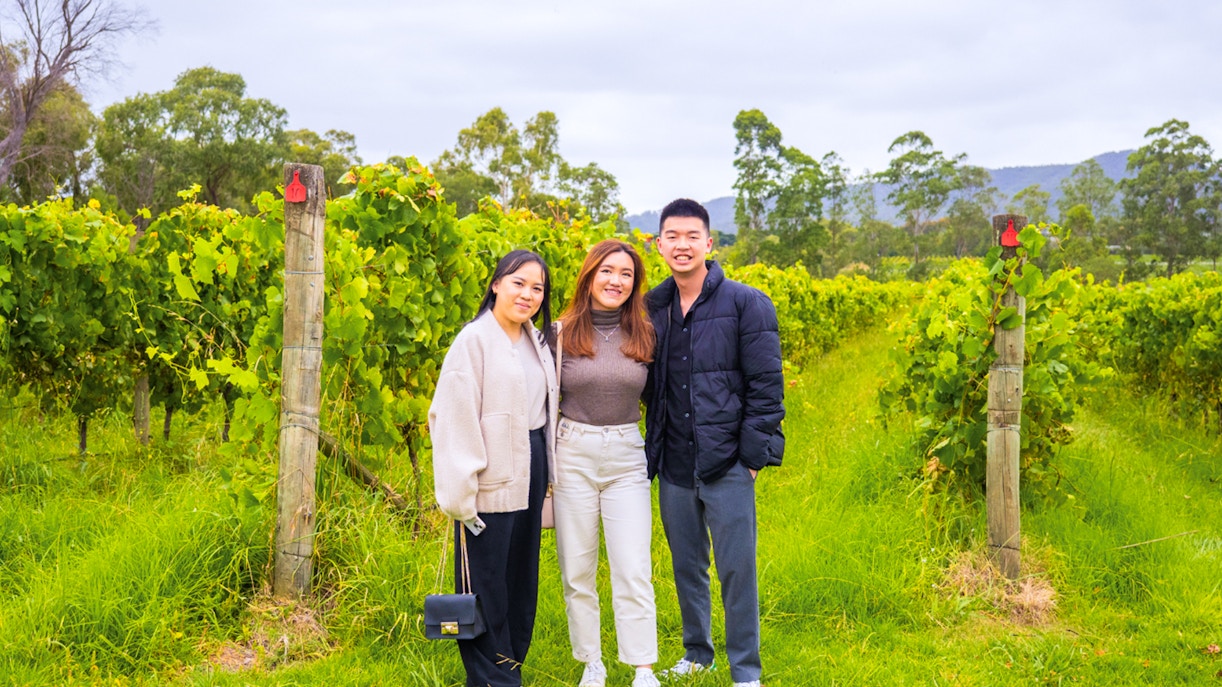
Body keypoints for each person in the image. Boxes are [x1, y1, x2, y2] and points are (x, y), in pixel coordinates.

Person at [643, 199, 785, 687]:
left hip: (728, 465)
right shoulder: (651, 309)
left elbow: (767, 390)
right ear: (658, 244)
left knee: (736, 571)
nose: (681, 245)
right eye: (671, 236)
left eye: (691, 236)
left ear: (709, 243)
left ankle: (746, 671)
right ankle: (697, 654)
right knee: (687, 567)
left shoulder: (747, 303)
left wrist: (750, 458)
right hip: (675, 464)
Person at [430, 249, 559, 687]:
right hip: (488, 476)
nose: (527, 294)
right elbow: (452, 418)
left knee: (520, 582)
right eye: (518, 282)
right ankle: (496, 679)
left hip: (531, 464)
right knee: (485, 586)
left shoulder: (536, 341)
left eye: (537, 288)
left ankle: (507, 667)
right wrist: (461, 496)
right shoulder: (474, 340)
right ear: (496, 284)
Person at [551, 239, 660, 687]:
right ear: (590, 275)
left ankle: (642, 667)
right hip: (572, 451)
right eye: (607, 271)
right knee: (577, 566)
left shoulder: (647, 333)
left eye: (626, 274)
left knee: (632, 565)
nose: (616, 281)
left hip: (626, 455)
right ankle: (591, 662)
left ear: (634, 284)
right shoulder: (557, 333)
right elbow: (542, 402)